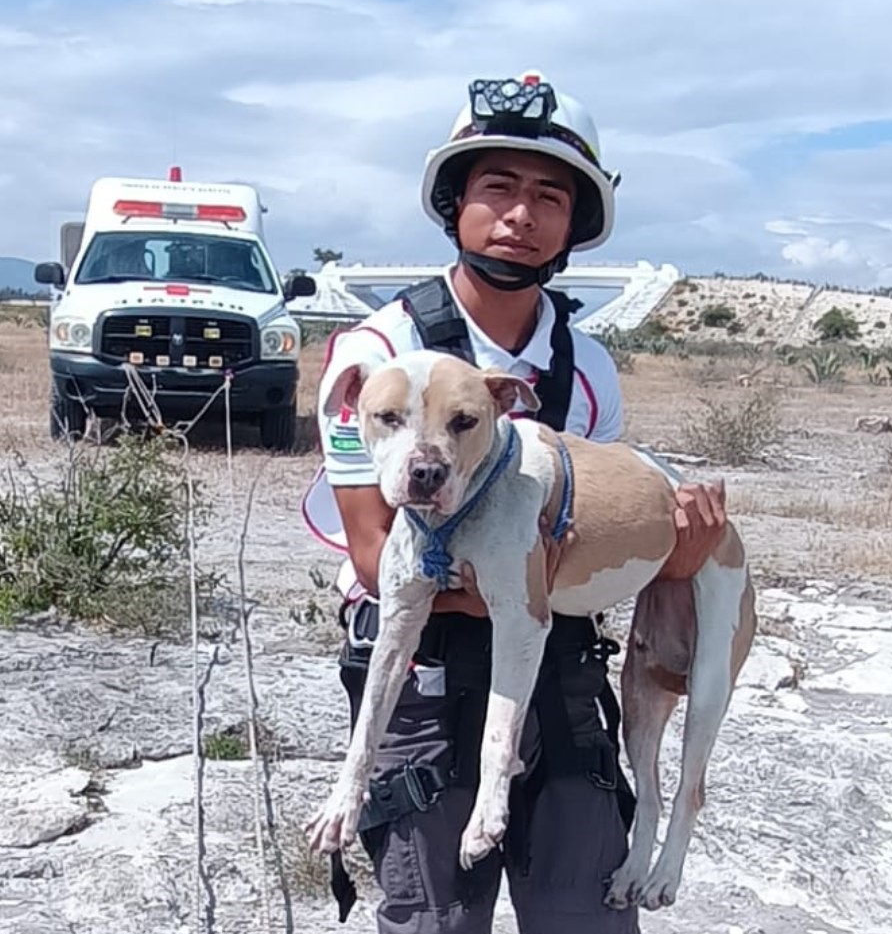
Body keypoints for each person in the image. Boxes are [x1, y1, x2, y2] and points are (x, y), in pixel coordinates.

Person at [300, 71, 727, 934]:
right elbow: (376, 555)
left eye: (548, 196)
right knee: (436, 920)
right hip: (427, 667)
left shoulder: (585, 367)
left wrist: (675, 546)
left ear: (574, 224)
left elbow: (609, 538)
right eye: (496, 187)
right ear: (455, 203)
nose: (520, 215)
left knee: (584, 916)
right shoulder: (376, 357)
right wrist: (522, 587)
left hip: (558, 666)